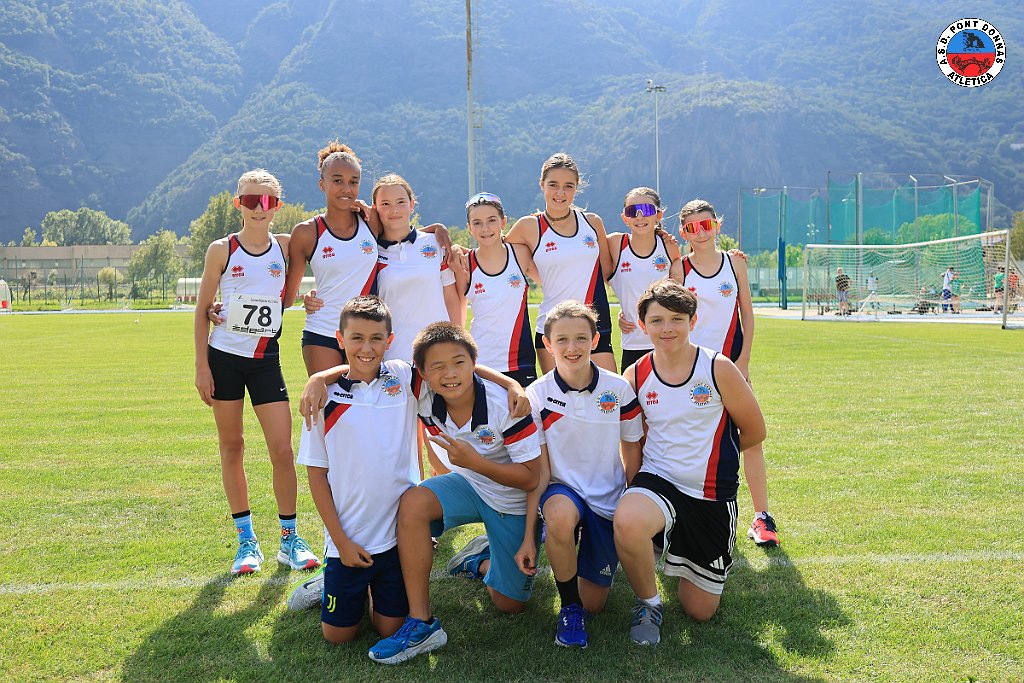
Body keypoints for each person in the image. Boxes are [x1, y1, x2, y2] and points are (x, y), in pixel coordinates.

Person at [368, 323, 542, 664]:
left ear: (473, 363)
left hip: (511, 499)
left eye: (459, 363)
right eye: (437, 366)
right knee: (413, 503)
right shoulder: (422, 391)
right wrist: (319, 379)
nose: (450, 374)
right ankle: (421, 622)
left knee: (510, 605)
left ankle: (478, 560)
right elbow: (366, 365)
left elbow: (532, 478)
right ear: (422, 373)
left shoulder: (506, 405)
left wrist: (477, 461)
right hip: (469, 483)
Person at [613, 280, 765, 644]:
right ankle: (649, 603)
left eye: (677, 319)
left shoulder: (718, 368)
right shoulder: (635, 375)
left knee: (699, 611)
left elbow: (755, 430)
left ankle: (677, 545)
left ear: (692, 322)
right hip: (658, 480)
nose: (667, 328)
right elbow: (632, 437)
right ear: (643, 325)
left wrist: (717, 456)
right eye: (657, 320)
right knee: (628, 520)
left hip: (709, 492)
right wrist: (635, 487)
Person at [193, 169, 320, 575]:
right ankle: (246, 540)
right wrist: (201, 366)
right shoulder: (222, 249)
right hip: (224, 359)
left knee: (282, 450)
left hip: (266, 360)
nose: (259, 208)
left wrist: (309, 298)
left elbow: (293, 293)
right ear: (239, 204)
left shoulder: (285, 246)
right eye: (251, 200)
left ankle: (289, 539)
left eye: (267, 201)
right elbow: (202, 310)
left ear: (277, 206)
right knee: (232, 446)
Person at [515, 301, 643, 648]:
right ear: (547, 344)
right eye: (562, 340)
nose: (572, 348)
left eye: (581, 338)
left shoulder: (618, 388)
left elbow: (632, 449)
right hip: (562, 489)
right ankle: (569, 608)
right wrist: (529, 533)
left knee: (595, 605)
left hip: (607, 496)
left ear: (595, 340)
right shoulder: (537, 394)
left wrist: (633, 502)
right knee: (559, 517)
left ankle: (582, 584)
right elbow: (540, 469)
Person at [297, 296, 418, 644]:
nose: (367, 348)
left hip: (394, 541)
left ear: (389, 341)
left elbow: (457, 364)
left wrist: (512, 385)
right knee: (338, 636)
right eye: (357, 338)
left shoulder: (403, 378)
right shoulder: (324, 398)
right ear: (340, 339)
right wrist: (341, 542)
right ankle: (328, 581)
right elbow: (316, 475)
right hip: (346, 543)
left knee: (390, 629)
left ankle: (372, 592)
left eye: (376, 338)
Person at [284, 142, 453, 376]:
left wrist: (437, 229)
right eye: (337, 180)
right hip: (323, 331)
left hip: (366, 335)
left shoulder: (370, 221)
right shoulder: (306, 232)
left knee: (365, 398)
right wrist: (308, 297)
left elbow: (401, 233)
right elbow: (287, 298)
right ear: (322, 184)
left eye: (353, 182)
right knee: (327, 397)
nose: (346, 188)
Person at [678, 199, 778, 547]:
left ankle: (762, 517)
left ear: (717, 225)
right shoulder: (680, 268)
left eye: (706, 224)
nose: (700, 232)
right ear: (684, 233)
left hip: (733, 367)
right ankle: (688, 515)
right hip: (694, 370)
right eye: (692, 227)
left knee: (750, 438)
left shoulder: (735, 263)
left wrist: (744, 361)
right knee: (693, 440)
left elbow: (746, 314)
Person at [505, 153, 617, 374]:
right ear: (542, 184)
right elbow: (496, 253)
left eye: (568, 186)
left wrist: (658, 235)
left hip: (595, 325)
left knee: (609, 393)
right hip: (552, 326)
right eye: (553, 185)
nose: (560, 192)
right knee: (560, 395)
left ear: (576, 188)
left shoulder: (592, 223)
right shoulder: (528, 226)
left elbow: (609, 272)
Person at [456, 192, 540, 387]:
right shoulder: (464, 265)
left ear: (503, 222)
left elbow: (551, 284)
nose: (485, 228)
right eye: (477, 223)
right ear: (469, 228)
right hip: (481, 363)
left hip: (521, 361)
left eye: (492, 220)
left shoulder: (520, 254)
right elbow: (457, 315)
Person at [607, 187, 682, 372]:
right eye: (632, 211)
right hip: (633, 344)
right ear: (625, 217)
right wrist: (625, 310)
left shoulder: (668, 246)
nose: (639, 216)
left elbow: (679, 295)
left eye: (647, 210)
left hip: (667, 342)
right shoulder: (615, 244)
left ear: (658, 215)